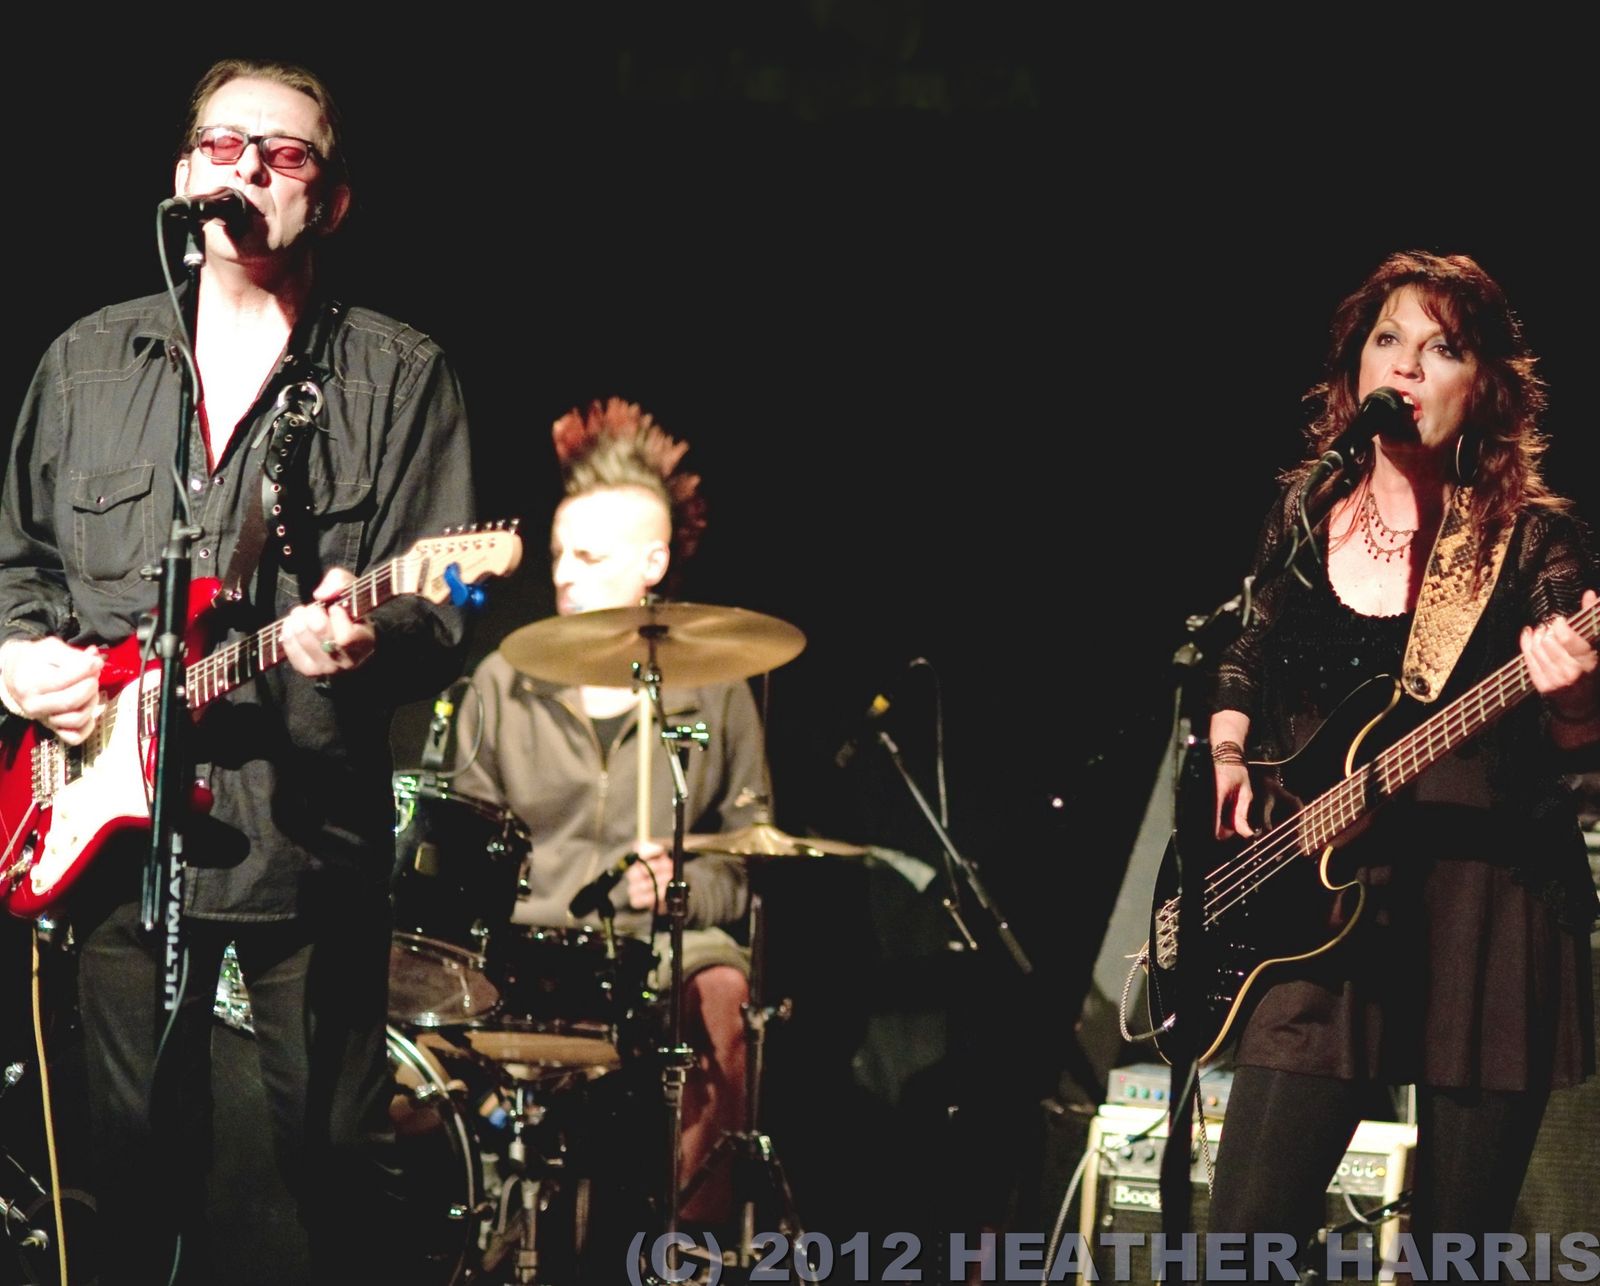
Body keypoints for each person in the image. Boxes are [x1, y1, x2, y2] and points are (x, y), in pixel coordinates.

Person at [0, 59, 473, 1284]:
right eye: (222, 144)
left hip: (306, 840)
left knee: (329, 1155)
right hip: (109, 826)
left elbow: (446, 603)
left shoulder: (394, 375)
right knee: (128, 1157)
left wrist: (368, 636)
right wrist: (16, 662)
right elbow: (18, 565)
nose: (248, 166)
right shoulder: (87, 365)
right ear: (183, 174)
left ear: (332, 199)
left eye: (285, 151)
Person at [1204, 251, 1599, 1277]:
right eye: (1388, 340)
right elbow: (1245, 644)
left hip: (1487, 913)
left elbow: (1581, 748)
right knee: (1239, 1243)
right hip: (1315, 908)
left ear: (1487, 388)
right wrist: (1229, 744)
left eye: (1442, 348)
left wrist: (1570, 693)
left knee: (1452, 1257)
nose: (1408, 366)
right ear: (1356, 368)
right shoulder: (1306, 509)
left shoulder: (1530, 541)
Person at [451, 397, 764, 1227]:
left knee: (724, 989)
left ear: (652, 561)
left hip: (659, 950)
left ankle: (691, 1245)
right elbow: (460, 850)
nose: (563, 573)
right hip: (528, 947)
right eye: (560, 554)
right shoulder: (502, 683)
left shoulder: (720, 688)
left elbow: (748, 860)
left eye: (588, 556)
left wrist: (685, 887)